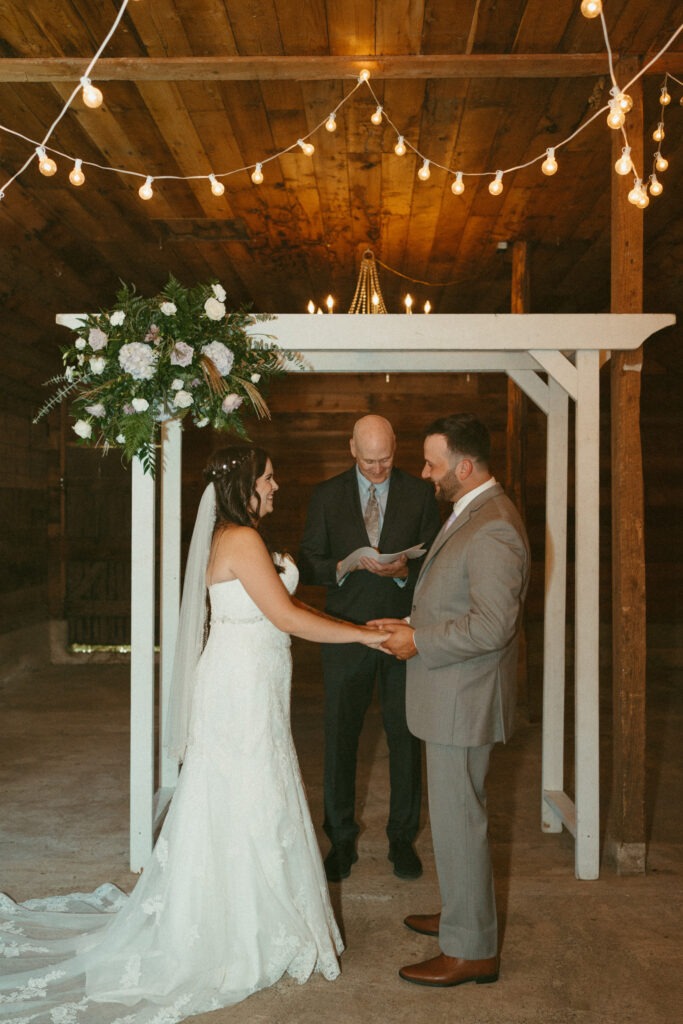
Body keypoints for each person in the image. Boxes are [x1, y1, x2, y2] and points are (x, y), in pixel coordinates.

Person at [0, 446, 388, 1024]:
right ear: (243, 486)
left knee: (253, 789)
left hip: (250, 676)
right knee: (248, 790)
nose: (276, 485)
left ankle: (255, 915)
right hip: (241, 686)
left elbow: (277, 606)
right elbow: (284, 616)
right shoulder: (240, 540)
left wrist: (350, 626)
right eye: (268, 477)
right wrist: (362, 635)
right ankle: (246, 928)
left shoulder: (239, 536)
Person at [370, 414, 530, 989]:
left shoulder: (495, 527)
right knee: (456, 819)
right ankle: (463, 913)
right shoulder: (472, 511)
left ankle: (472, 951)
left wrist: (420, 641)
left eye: (432, 463)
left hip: (465, 698)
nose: (424, 473)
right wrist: (412, 620)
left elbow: (492, 626)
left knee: (462, 820)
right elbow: (456, 597)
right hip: (453, 692)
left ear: (464, 467)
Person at [298, 415, 441, 883]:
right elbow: (308, 563)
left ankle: (402, 838)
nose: (379, 469)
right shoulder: (326, 494)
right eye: (369, 461)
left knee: (405, 735)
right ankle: (340, 840)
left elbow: (438, 564)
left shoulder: (420, 493)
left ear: (396, 446)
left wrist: (401, 572)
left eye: (386, 460)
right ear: (351, 450)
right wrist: (345, 564)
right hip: (344, 631)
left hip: (402, 631)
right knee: (341, 738)